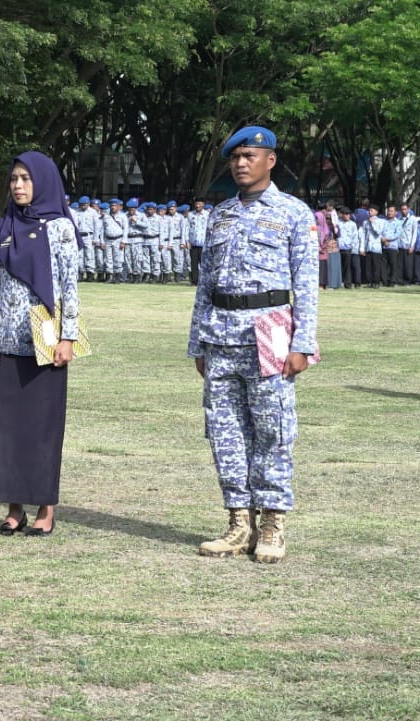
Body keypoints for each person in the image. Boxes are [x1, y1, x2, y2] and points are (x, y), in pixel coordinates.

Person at [189, 126, 318, 564]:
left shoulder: (294, 213)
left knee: (274, 432)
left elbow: (307, 284)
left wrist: (303, 343)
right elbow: (204, 283)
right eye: (235, 157)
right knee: (225, 435)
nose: (241, 163)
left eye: (249, 155)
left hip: (270, 336)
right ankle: (238, 523)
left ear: (271, 160)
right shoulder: (220, 215)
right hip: (221, 335)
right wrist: (198, 344)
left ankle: (272, 526)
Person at [0, 151, 81, 537]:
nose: (17, 186)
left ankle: (45, 507)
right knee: (9, 429)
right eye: (13, 179)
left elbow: (69, 286)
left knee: (44, 427)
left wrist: (69, 336)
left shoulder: (61, 228)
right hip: (6, 340)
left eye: (26, 179)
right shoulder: (1, 227)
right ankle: (14, 507)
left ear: (43, 182)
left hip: (46, 340)